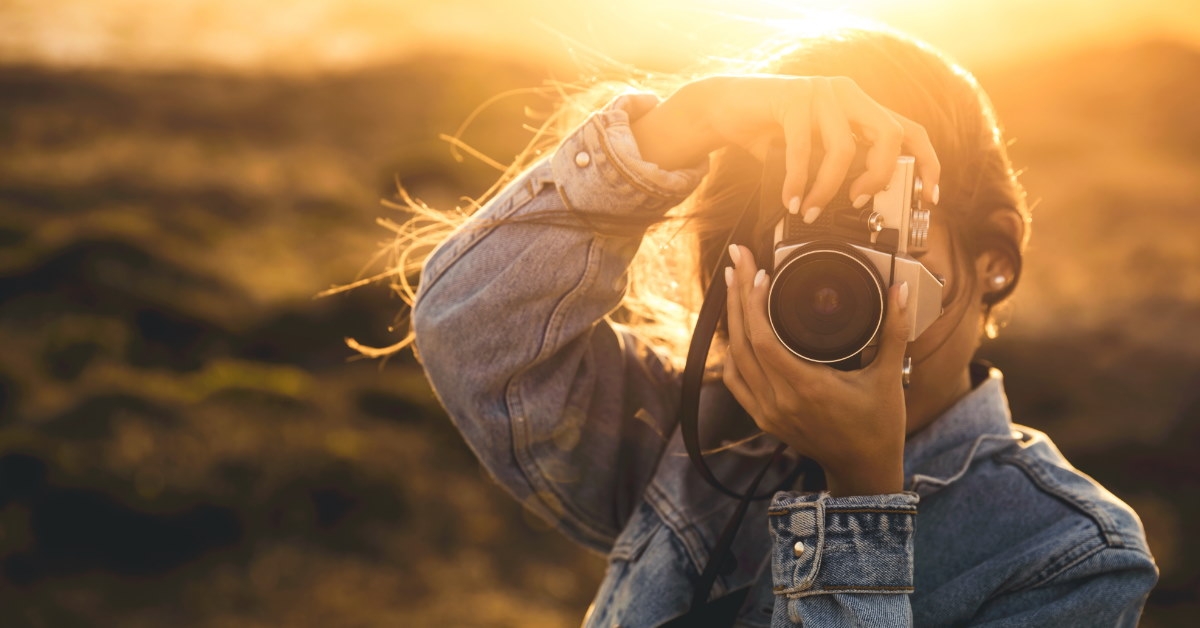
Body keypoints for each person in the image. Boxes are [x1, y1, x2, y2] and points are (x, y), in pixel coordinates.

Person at [400, 22, 1158, 627]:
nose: (834, 274)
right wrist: (682, 125)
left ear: (993, 255)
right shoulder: (694, 432)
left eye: (878, 228)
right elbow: (473, 331)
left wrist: (861, 496)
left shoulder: (1066, 552)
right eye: (802, 234)